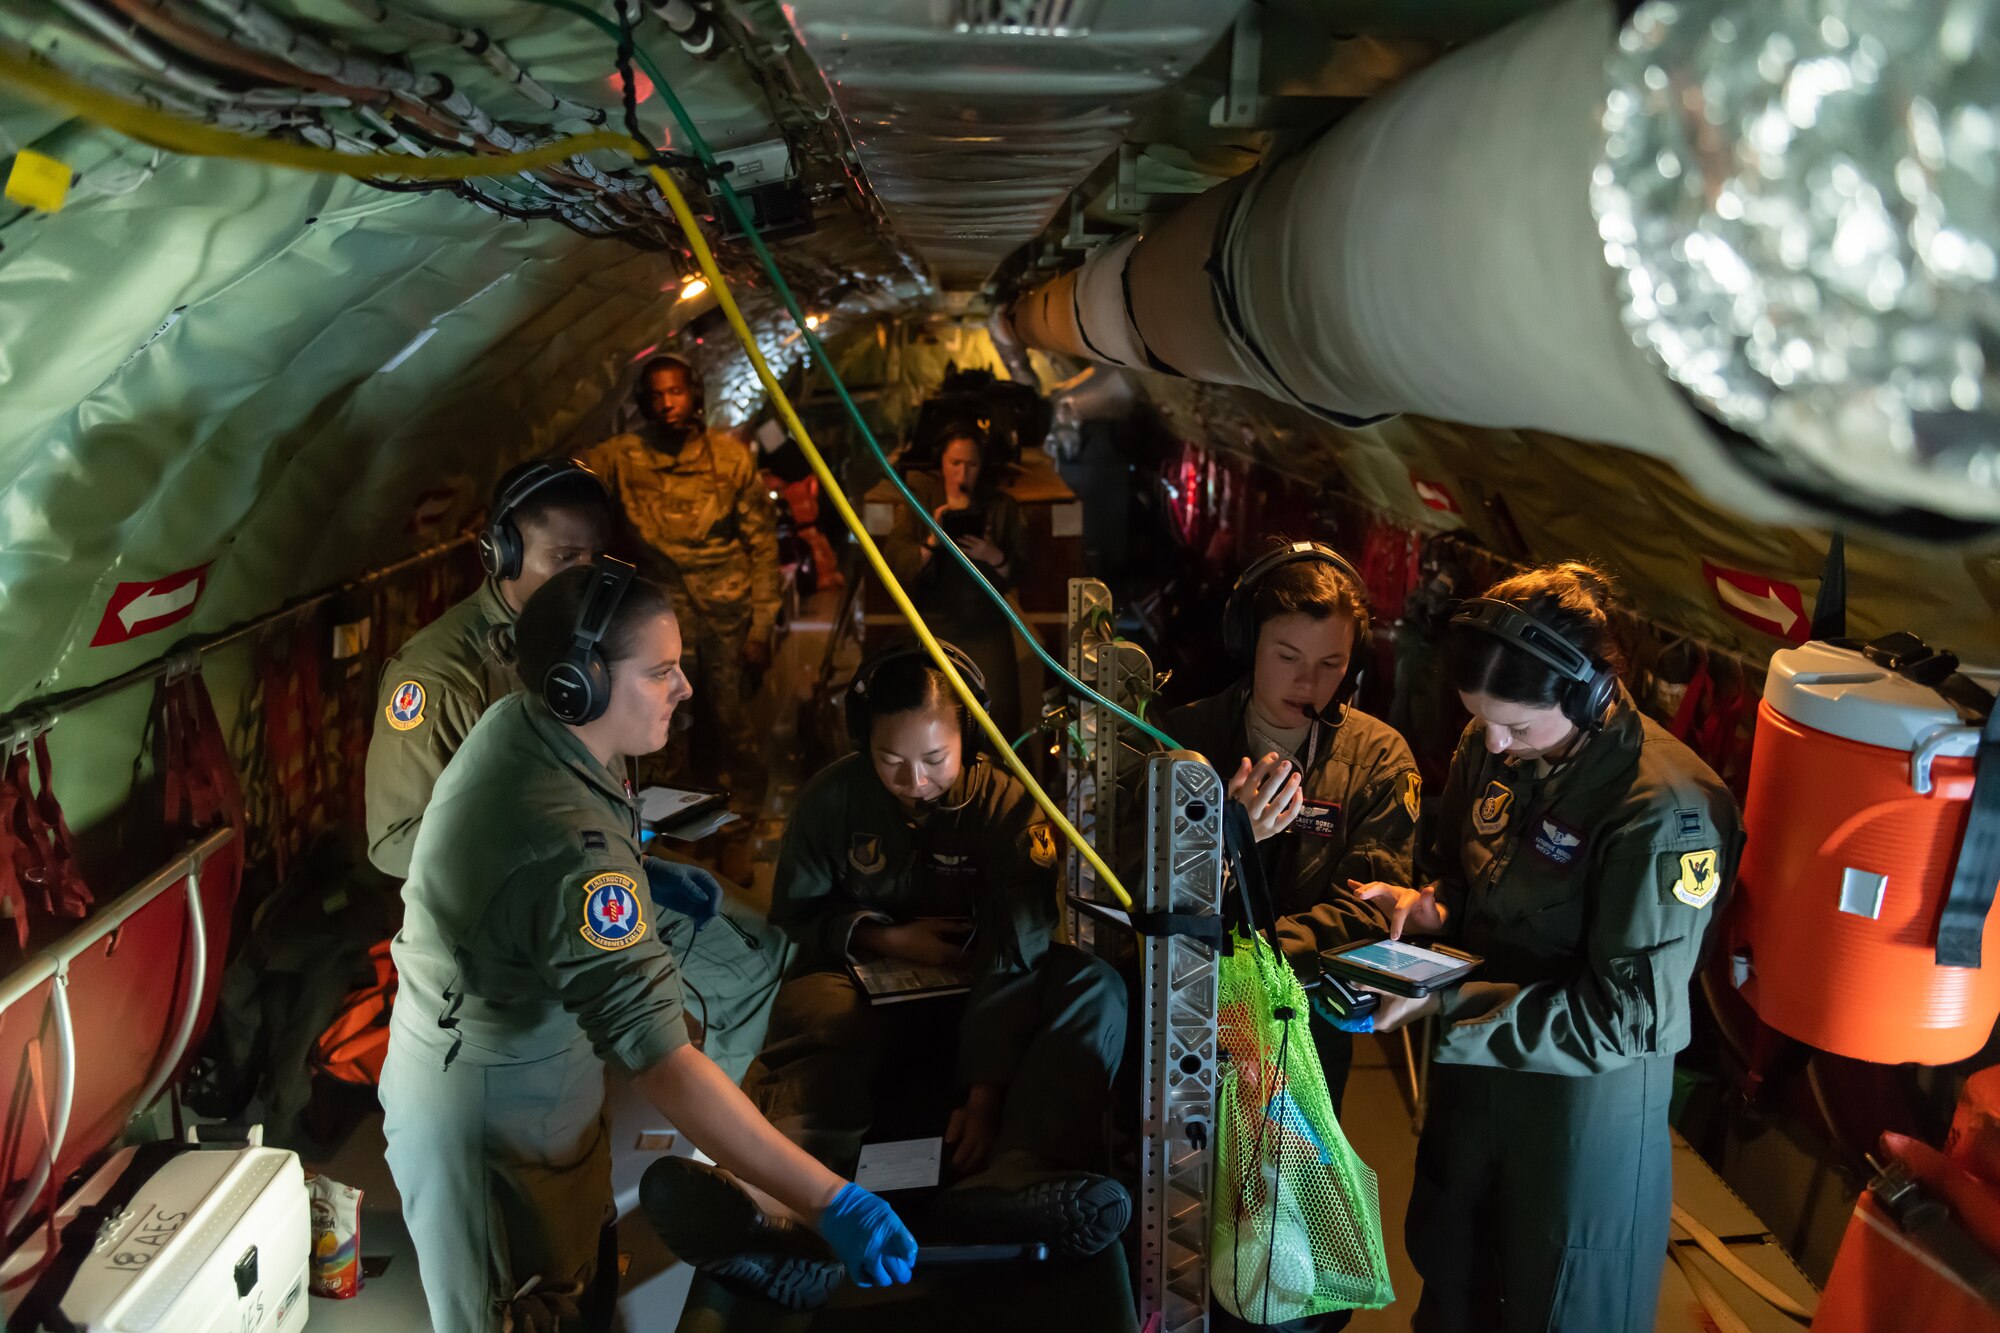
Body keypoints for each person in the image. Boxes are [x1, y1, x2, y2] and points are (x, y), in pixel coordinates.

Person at [379, 562, 916, 1332]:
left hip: (536, 1076)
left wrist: (642, 869)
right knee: (527, 1306)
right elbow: (663, 1061)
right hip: (491, 1122)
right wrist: (832, 1199)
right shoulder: (570, 850)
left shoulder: (528, 727)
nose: (686, 687)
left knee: (577, 1280)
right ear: (581, 684)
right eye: (662, 671)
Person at [645, 642, 1130, 1302]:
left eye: (935, 760)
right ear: (862, 745)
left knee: (1093, 986)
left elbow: (1018, 950)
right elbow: (797, 916)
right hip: (862, 978)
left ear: (969, 736)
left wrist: (984, 1092)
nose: (914, 780)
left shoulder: (1007, 806)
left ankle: (1021, 1172)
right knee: (816, 1013)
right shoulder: (833, 800)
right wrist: (884, 936)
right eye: (891, 761)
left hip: (989, 987)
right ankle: (779, 1204)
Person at [1352, 561, 1744, 1333]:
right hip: (1475, 1088)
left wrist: (1446, 999)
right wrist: (1429, 908)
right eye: (1482, 719)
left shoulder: (1664, 812)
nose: (1495, 742)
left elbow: (1629, 1018)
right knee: (1454, 1284)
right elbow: (1467, 873)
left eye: (1517, 727)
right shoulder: (1495, 740)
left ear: (1589, 692)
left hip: (1577, 1124)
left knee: (1556, 1304)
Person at [364, 458, 788, 1084]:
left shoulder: (588, 646)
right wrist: (555, 850)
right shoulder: (437, 677)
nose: (587, 579)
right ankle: (737, 1155)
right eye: (564, 560)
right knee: (733, 986)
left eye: (595, 560)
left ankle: (730, 1155)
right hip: (527, 909)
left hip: (602, 861)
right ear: (502, 556)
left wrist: (629, 840)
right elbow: (393, 841)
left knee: (766, 952)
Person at [1164, 541, 1419, 1114]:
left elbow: (1367, 912)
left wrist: (1253, 969)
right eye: (1287, 657)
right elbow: (1136, 885)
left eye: (1331, 664)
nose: (1308, 682)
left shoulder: (1379, 757)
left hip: (1305, 1024)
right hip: (1183, 1009)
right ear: (1247, 643)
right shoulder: (1180, 740)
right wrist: (1228, 845)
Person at [586, 355, 782, 809]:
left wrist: (762, 628)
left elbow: (763, 549)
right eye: (656, 395)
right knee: (667, 726)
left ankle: (747, 814)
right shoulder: (622, 458)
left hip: (727, 621)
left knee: (731, 721)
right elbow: (570, 478)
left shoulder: (729, 459)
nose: (667, 404)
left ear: (695, 394)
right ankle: (676, 825)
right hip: (661, 621)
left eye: (675, 392)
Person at [882, 423, 1028, 736]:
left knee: (995, 720)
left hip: (986, 629)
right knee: (932, 714)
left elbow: (1022, 570)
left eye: (971, 464)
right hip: (934, 628)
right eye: (955, 463)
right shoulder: (919, 503)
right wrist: (934, 540)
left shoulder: (1002, 507)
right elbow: (896, 560)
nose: (963, 474)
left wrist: (993, 555)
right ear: (942, 464)